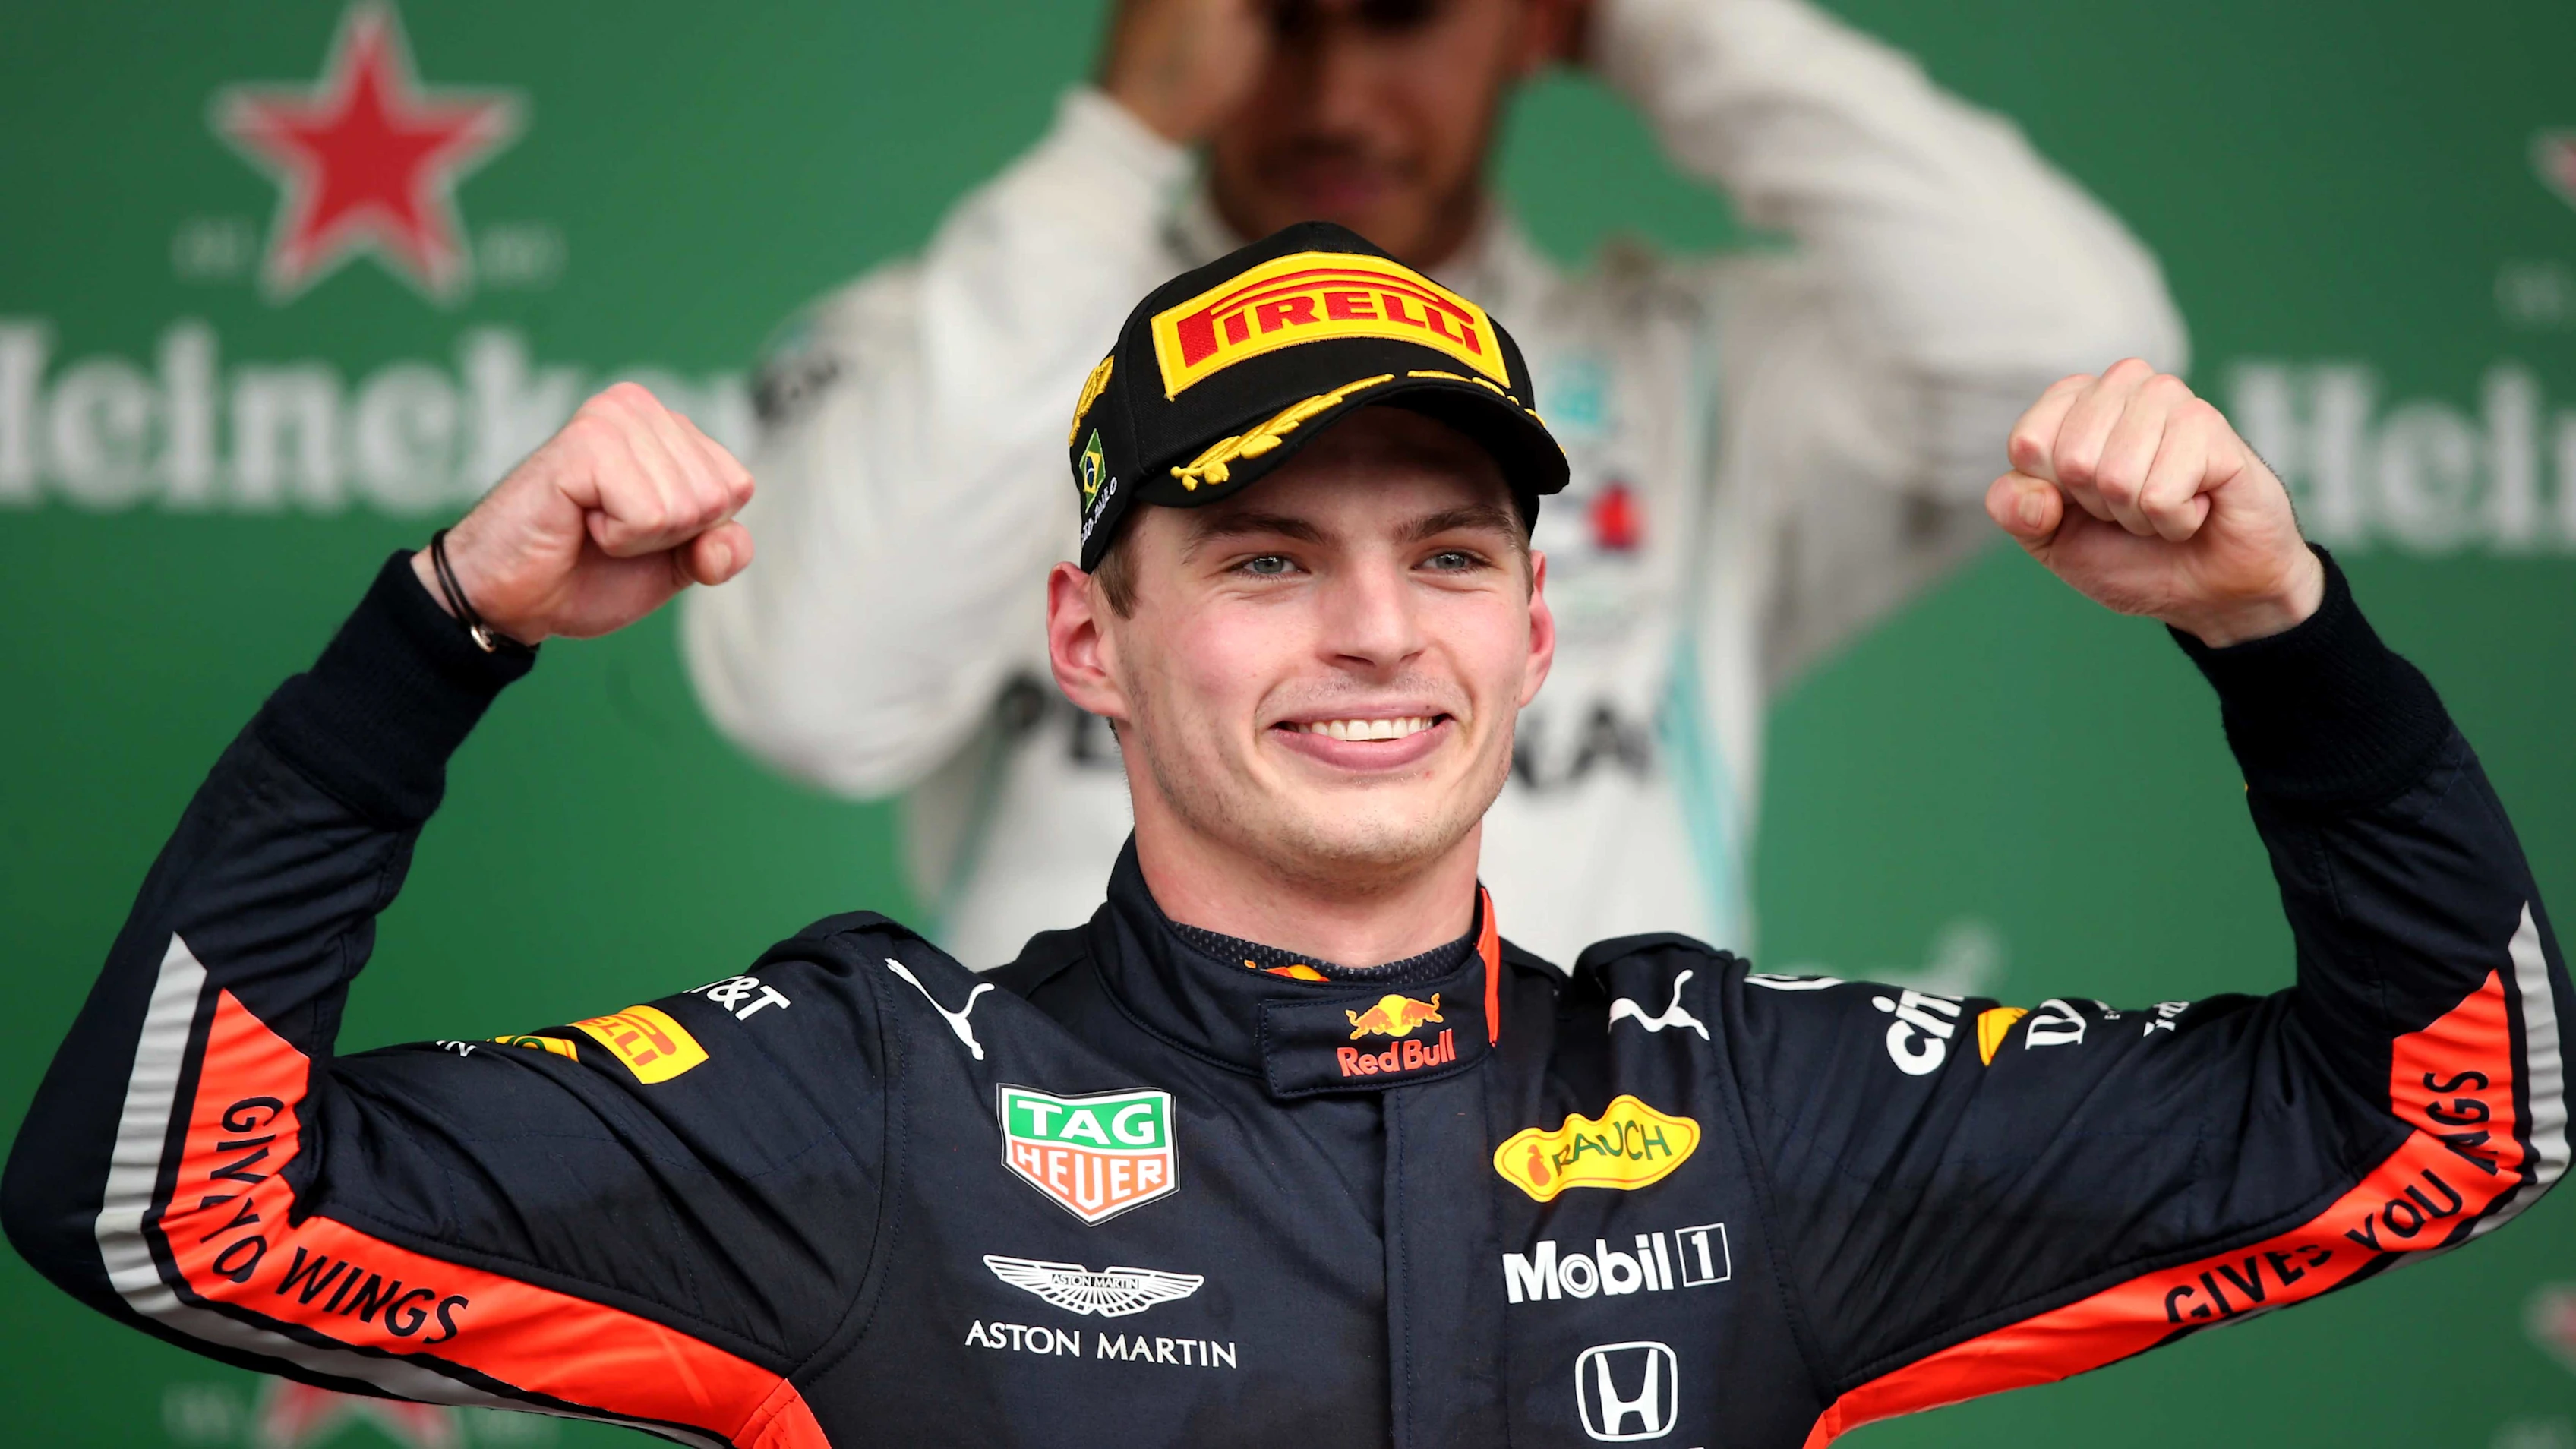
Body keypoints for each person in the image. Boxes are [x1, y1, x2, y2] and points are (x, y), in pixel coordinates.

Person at [5, 226, 2560, 1449]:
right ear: (1088, 640)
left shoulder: (1744, 1094)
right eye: (1260, 552)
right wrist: (430, 637)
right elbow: (161, 1203)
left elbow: (2447, 1114)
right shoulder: (878, 1094)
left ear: (1541, 630)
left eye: (1448, 550)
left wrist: (2279, 631)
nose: (1373, 629)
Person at [680, 0, 2188, 969]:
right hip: (1072, 1249)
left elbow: (2080, 353)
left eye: (1401, 15)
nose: (1334, 92)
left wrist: (1657, 23)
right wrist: (1108, 146)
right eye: (1272, 18)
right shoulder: (977, 338)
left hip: (1601, 1248)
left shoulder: (1691, 361)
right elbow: (810, 696)